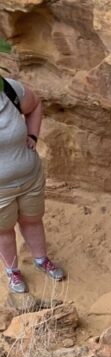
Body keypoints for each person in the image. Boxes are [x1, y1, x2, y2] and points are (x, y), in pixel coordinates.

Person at [0, 75, 66, 308]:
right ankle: (13, 271)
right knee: (4, 230)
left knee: (32, 220)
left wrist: (33, 135)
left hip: (30, 177)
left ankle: (41, 260)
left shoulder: (8, 90)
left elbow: (35, 104)